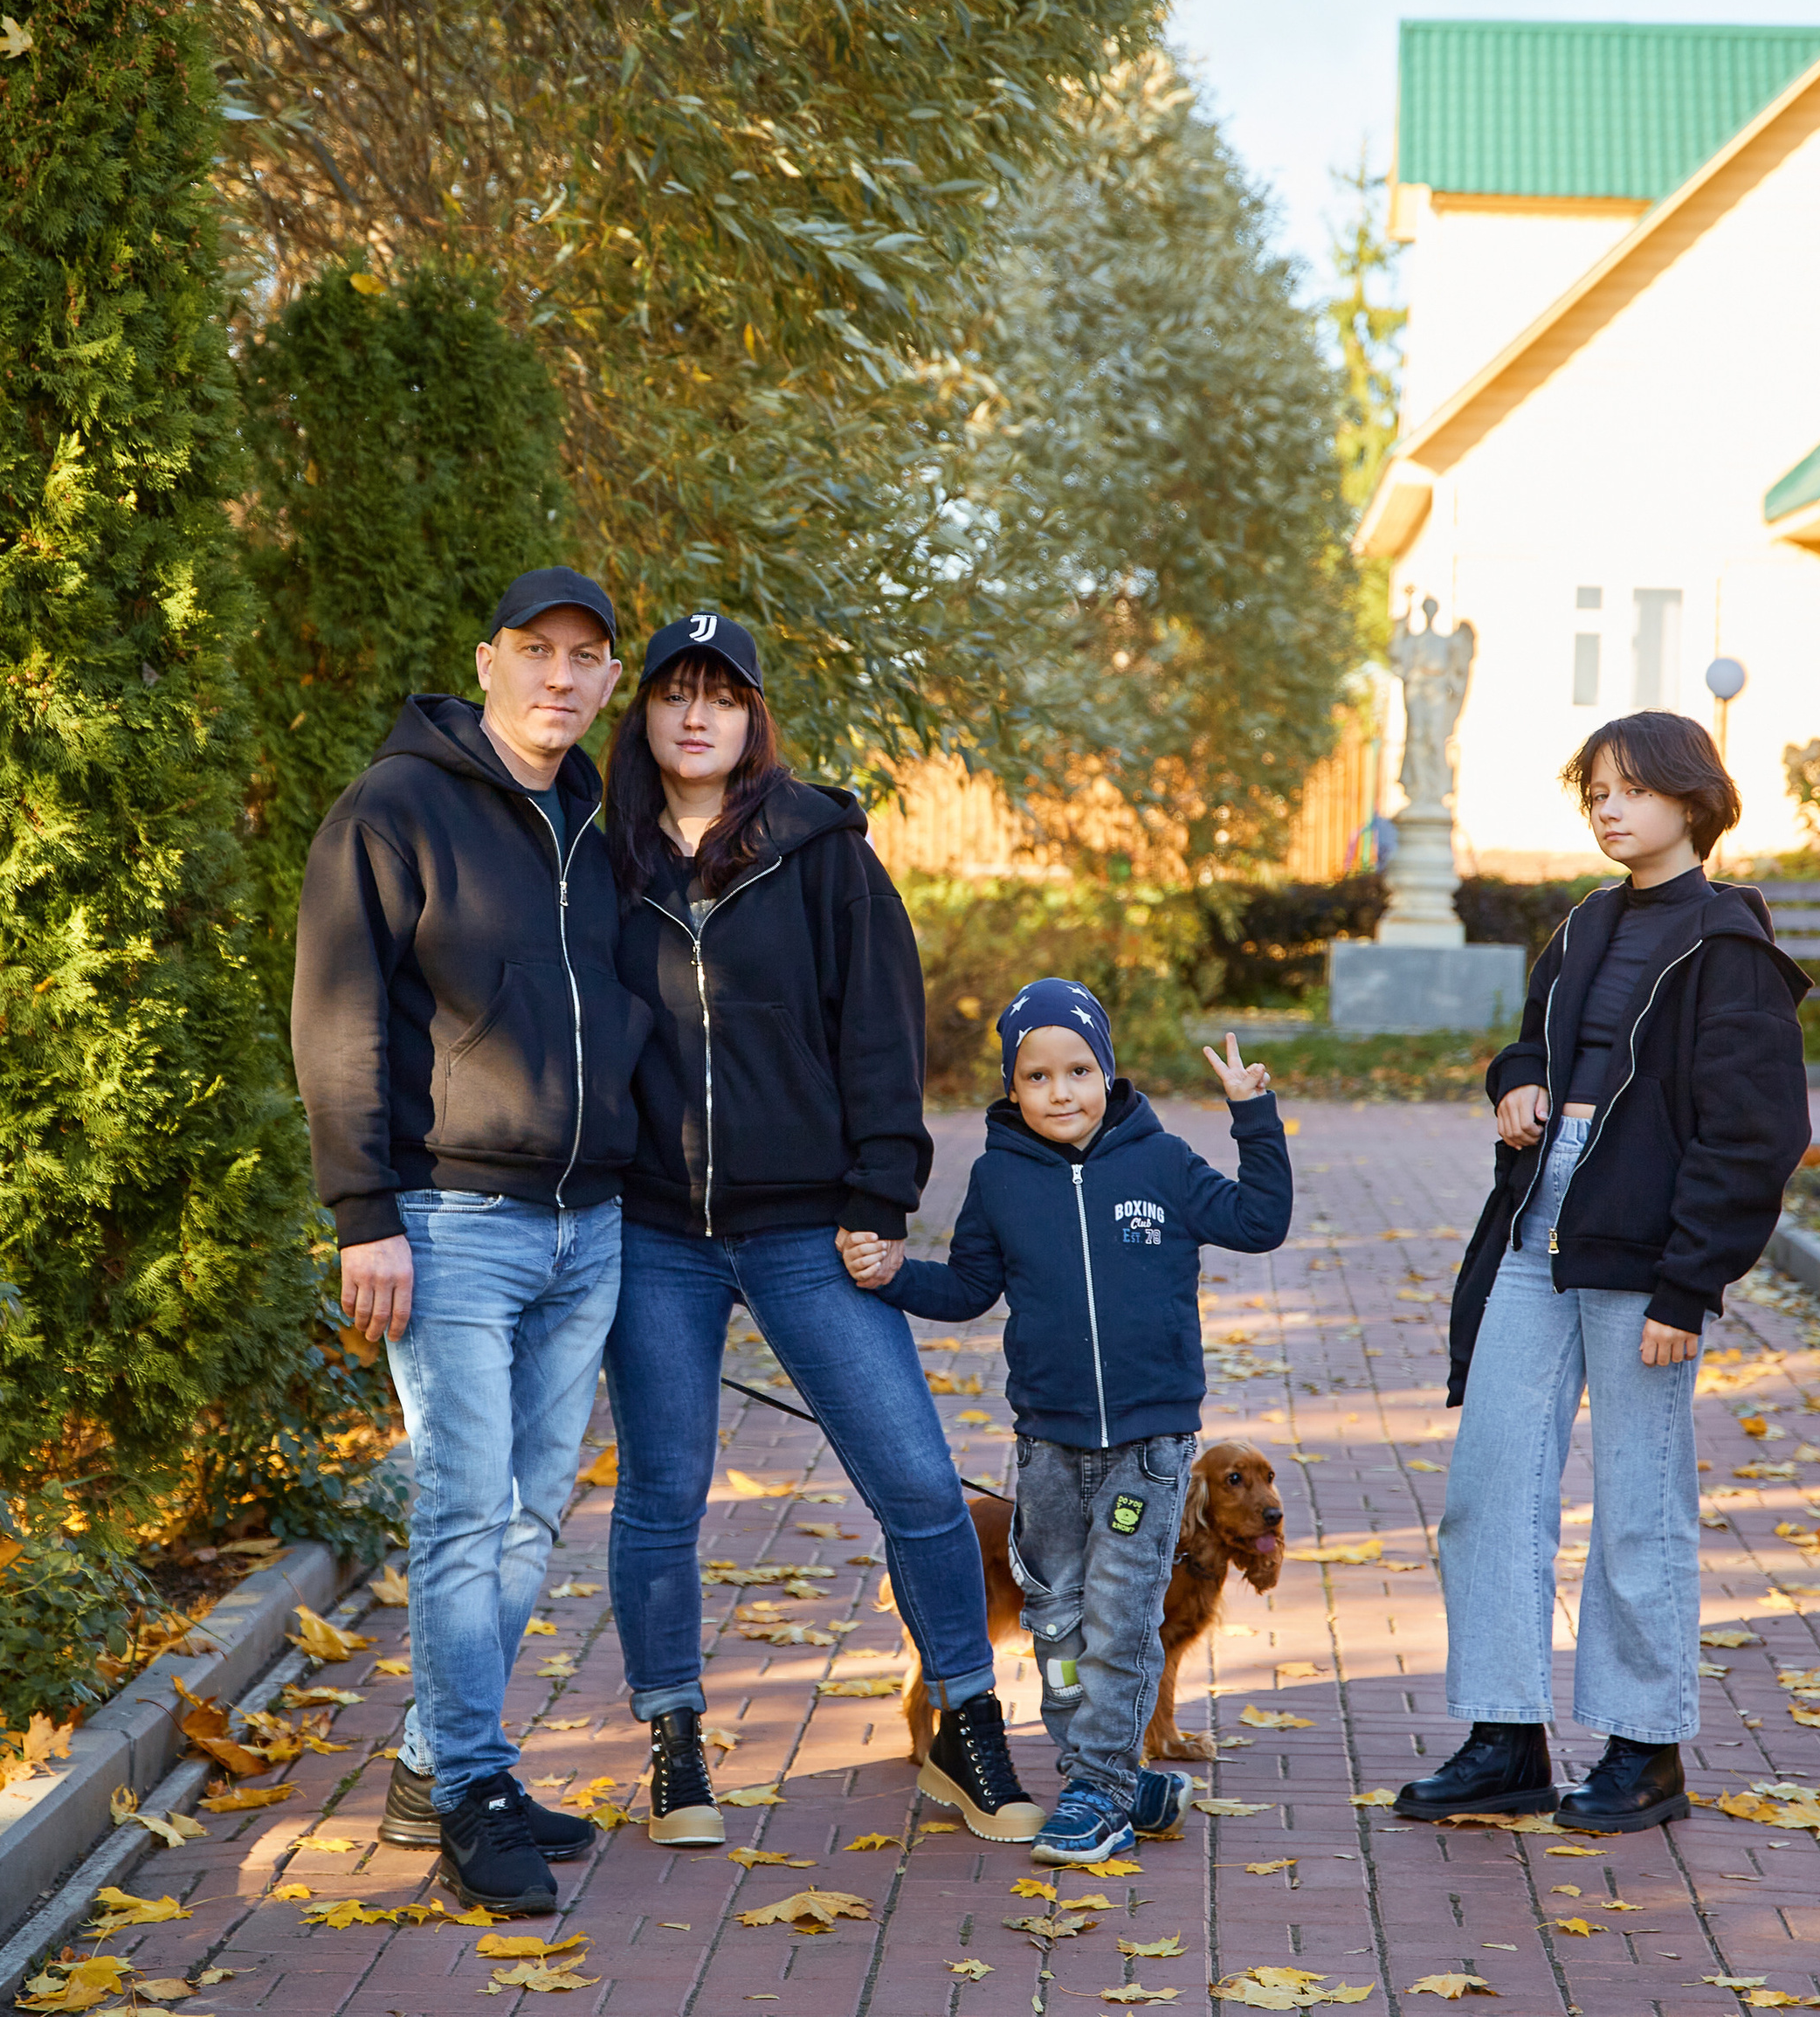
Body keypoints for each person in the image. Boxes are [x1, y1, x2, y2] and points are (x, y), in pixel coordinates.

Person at [600, 614, 1044, 1848]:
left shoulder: (824, 849)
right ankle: (675, 1745)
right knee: (661, 1494)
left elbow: (881, 1029)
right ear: (643, 715)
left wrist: (877, 1197)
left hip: (809, 1228)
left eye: (723, 698)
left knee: (913, 1477)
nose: (698, 717)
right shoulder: (602, 856)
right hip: (652, 1235)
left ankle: (967, 1725)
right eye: (675, 696)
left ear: (753, 720)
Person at [291, 565, 651, 1917]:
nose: (561, 679)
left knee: (527, 1517)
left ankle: (437, 1762)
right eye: (537, 652)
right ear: (489, 660)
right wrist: (363, 1214)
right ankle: (469, 1794)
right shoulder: (395, 807)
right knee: (462, 1511)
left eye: (586, 660)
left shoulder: (591, 824)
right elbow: (337, 1016)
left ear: (609, 681)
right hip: (448, 1223)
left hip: (588, 1222)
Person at [1402, 711, 1811, 1834]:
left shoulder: (1729, 948)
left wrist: (1689, 1285)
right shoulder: (1582, 924)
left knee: (1637, 1504)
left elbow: (1755, 1132)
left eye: (1630, 789)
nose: (1609, 808)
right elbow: (1535, 1037)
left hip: (1647, 1244)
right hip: (1543, 1219)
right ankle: (1502, 1739)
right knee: (1490, 1486)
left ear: (1691, 798)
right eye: (1594, 792)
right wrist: (1515, 1077)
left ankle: (1644, 1751)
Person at [842, 982, 1293, 1866]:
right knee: (1055, 1621)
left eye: (1078, 1069)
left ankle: (1096, 1790)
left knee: (1121, 1615)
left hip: (1146, 1452)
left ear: (1106, 1071)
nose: (1060, 1090)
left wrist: (1254, 1116)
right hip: (1047, 1448)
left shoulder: (1159, 1162)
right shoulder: (1000, 1178)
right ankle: (1115, 1775)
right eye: (1036, 1073)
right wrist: (891, 1272)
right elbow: (968, 1287)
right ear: (1012, 1085)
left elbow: (1259, 1220)